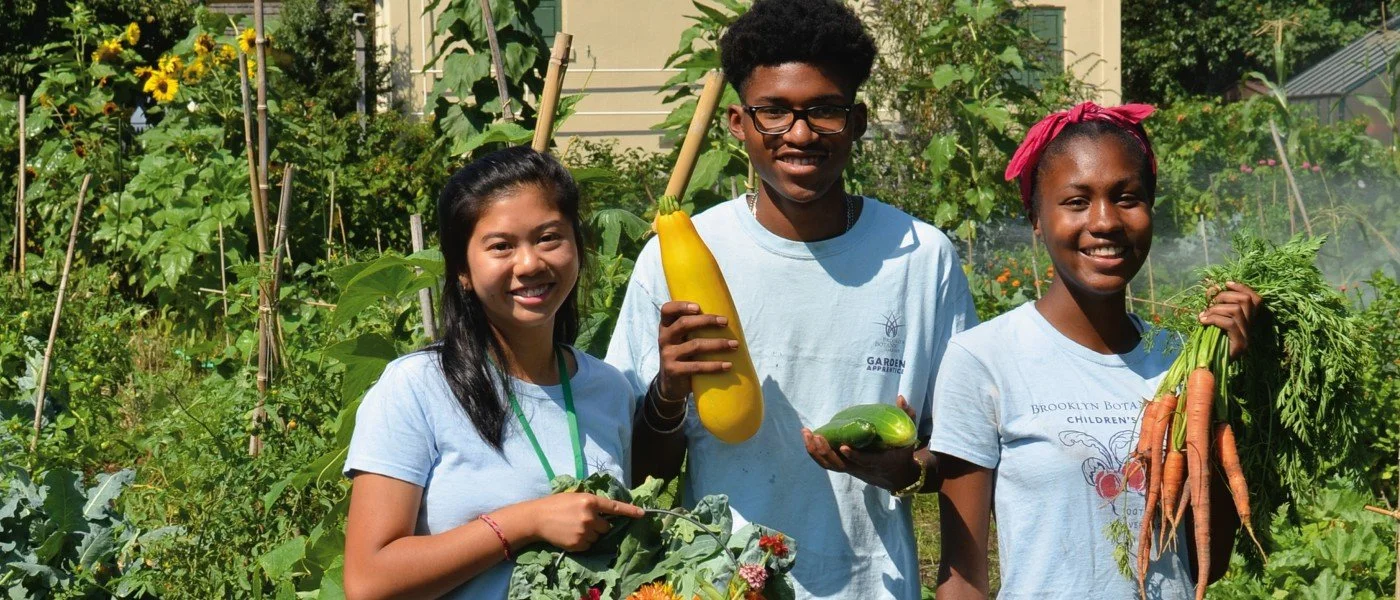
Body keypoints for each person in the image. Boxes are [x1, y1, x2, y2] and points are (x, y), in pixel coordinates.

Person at [604, 0, 977, 597]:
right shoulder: (678, 258)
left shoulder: (921, 257)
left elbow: (963, 450)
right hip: (721, 584)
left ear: (856, 121)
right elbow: (640, 472)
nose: (799, 134)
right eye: (773, 112)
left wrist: (904, 469)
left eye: (824, 111)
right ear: (738, 124)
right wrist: (669, 391)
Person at [930, 102, 1258, 599]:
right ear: (1036, 219)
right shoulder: (985, 358)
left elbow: (1207, 558)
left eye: (1127, 198)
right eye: (1076, 201)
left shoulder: (1184, 362)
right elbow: (962, 575)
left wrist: (1235, 383)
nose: (1105, 222)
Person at [341, 146, 645, 600]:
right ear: (462, 269)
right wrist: (526, 521)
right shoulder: (417, 388)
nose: (530, 264)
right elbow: (368, 582)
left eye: (549, 238)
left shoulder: (608, 388)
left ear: (577, 247)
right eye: (501, 246)